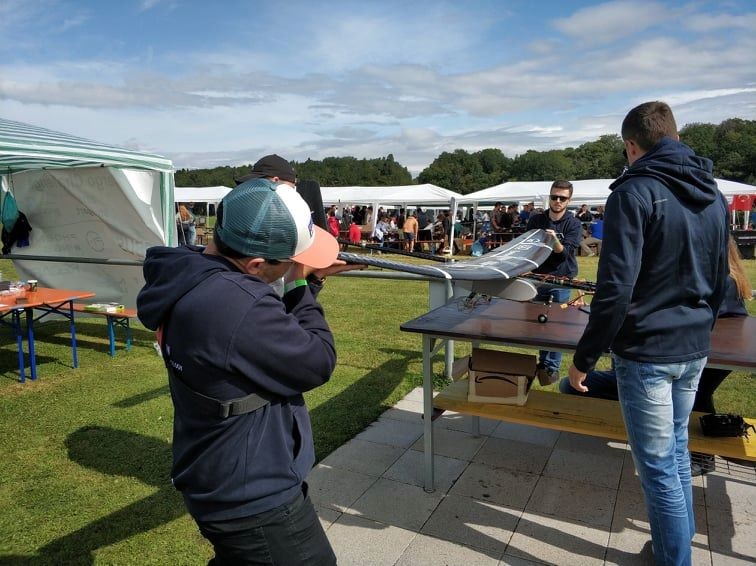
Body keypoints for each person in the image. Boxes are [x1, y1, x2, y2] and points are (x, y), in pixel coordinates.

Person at [137, 155, 363, 565]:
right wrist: (298, 284)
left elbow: (264, 335)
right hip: (252, 497)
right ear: (257, 264)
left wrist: (301, 279)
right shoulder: (240, 305)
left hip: (219, 471)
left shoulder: (192, 275)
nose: (295, 265)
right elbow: (317, 360)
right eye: (289, 259)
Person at [567, 101, 729, 566]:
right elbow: (721, 276)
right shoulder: (712, 191)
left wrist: (584, 358)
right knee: (674, 452)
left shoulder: (634, 191)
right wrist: (701, 328)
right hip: (692, 344)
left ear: (631, 146)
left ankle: (673, 558)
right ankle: (672, 546)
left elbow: (615, 288)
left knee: (658, 467)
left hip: (649, 352)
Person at [561, 238, 751, 477]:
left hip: (697, 353)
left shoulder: (716, 277)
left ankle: (699, 456)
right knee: (694, 397)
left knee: (694, 398)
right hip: (703, 351)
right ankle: (693, 454)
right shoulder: (720, 272)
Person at [525, 180, 582, 383]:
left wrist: (554, 240)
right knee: (540, 322)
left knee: (557, 324)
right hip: (539, 277)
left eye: (562, 198)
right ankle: (543, 362)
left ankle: (552, 368)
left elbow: (564, 253)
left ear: (569, 200)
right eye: (554, 197)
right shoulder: (536, 220)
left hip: (562, 279)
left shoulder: (573, 223)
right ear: (549, 197)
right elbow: (528, 246)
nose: (558, 201)